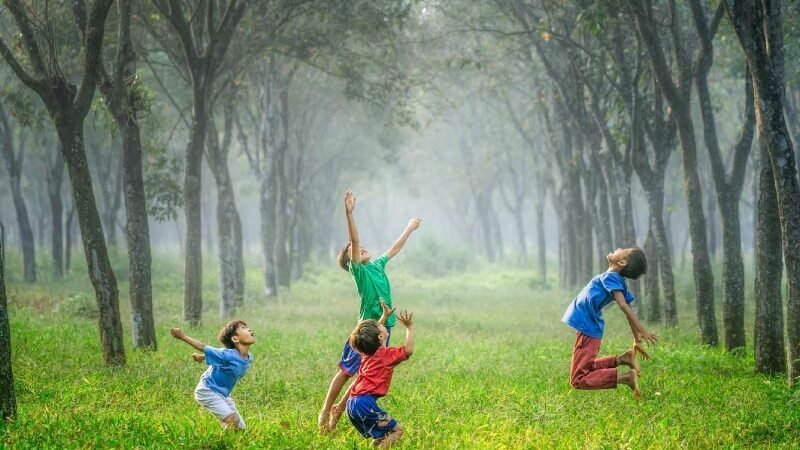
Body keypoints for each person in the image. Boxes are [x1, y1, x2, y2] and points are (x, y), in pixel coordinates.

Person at [319, 189, 421, 433]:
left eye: (362, 248)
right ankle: (325, 411)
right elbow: (354, 240)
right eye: (354, 251)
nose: (360, 248)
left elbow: (395, 248)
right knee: (346, 371)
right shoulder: (359, 271)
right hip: (366, 329)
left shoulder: (377, 265)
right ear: (350, 261)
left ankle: (340, 410)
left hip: (384, 327)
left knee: (367, 371)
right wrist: (349, 213)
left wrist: (409, 228)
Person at [561, 247, 657, 398]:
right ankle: (623, 359)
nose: (618, 248)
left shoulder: (611, 277)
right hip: (588, 328)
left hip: (588, 328)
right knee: (586, 367)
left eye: (623, 250)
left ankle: (625, 378)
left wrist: (642, 330)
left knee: (578, 379)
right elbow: (628, 309)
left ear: (622, 261)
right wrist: (636, 339)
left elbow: (624, 306)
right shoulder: (615, 279)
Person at [345, 309, 415, 448]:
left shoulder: (367, 353)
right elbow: (408, 350)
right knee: (397, 431)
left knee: (382, 436)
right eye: (379, 325)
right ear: (380, 337)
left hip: (352, 404)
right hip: (364, 404)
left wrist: (384, 317)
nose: (381, 324)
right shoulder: (386, 355)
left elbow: (371, 336)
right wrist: (410, 327)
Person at [170, 321, 255, 430]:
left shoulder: (249, 357)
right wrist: (183, 336)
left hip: (223, 395)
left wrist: (201, 357)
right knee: (232, 421)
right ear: (235, 339)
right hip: (207, 390)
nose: (248, 329)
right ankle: (220, 441)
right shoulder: (226, 355)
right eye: (243, 328)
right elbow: (203, 347)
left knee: (240, 428)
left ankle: (225, 439)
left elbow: (219, 358)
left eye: (247, 327)